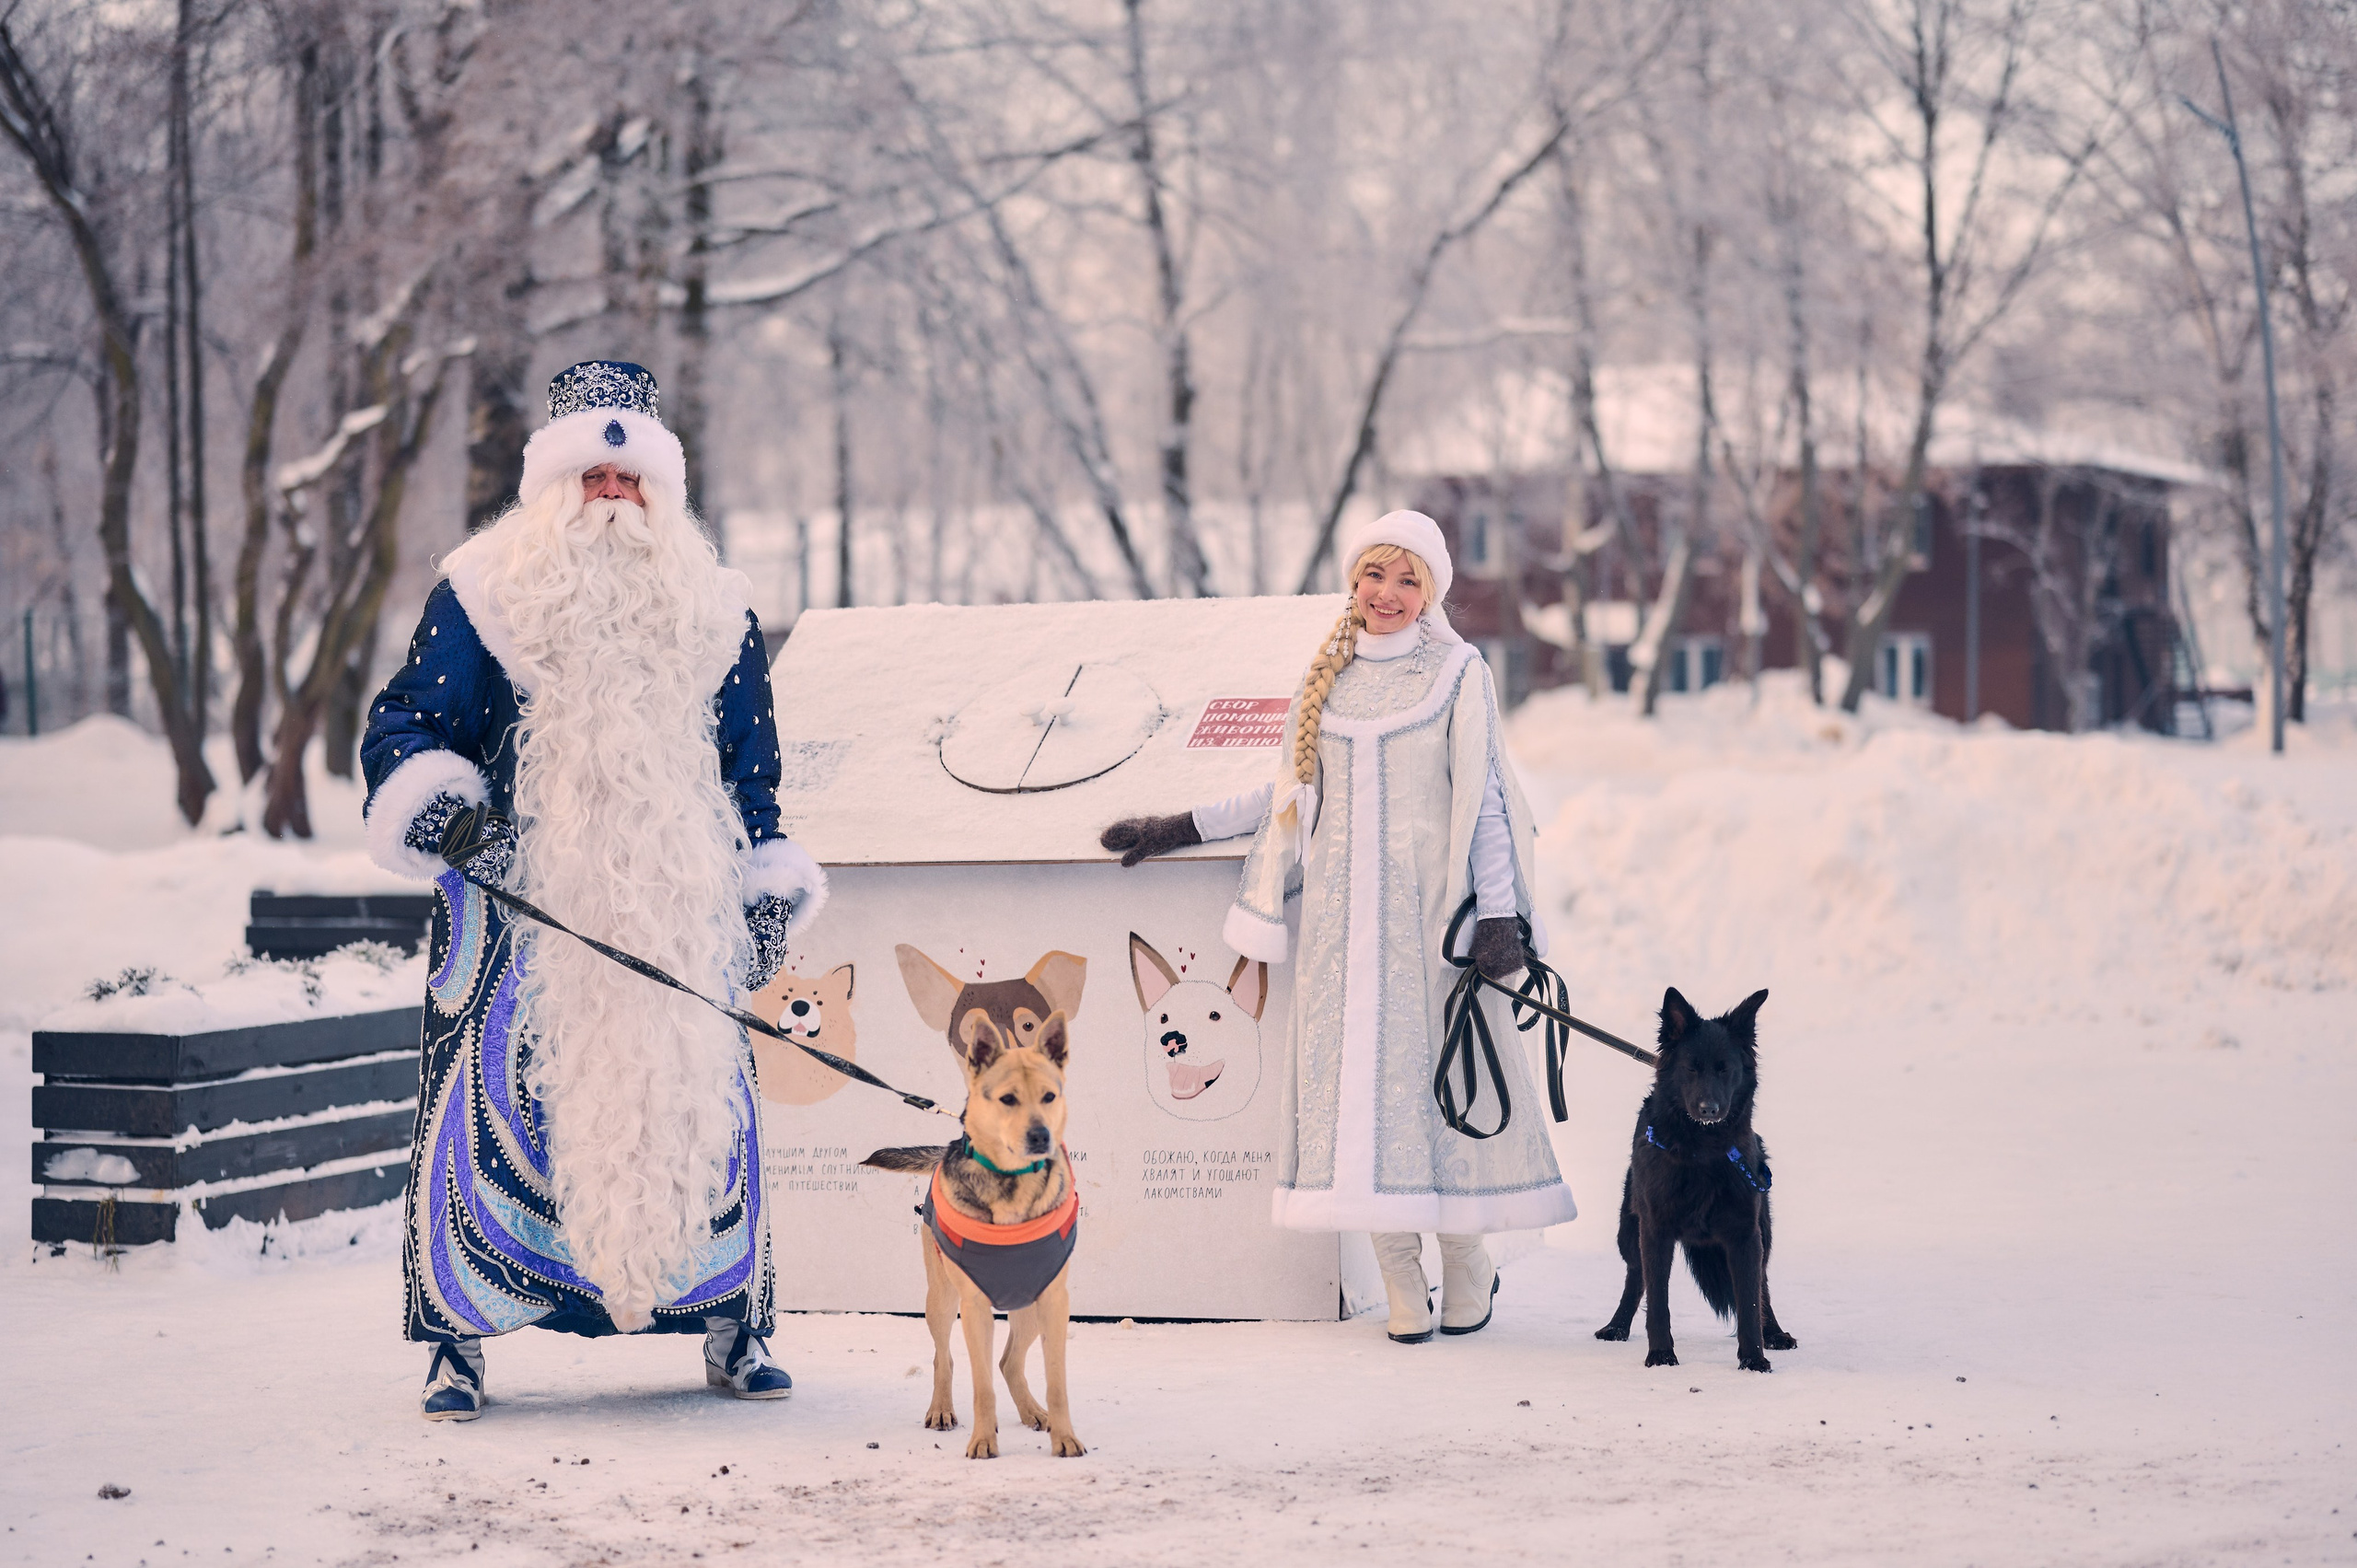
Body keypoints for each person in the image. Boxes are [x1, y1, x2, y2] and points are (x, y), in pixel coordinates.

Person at [359, 360, 827, 1419]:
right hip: (521, 907)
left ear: (660, 492)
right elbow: (405, 727)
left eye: (629, 483)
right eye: (592, 480)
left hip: (679, 914)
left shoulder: (717, 610)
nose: (611, 500)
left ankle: (732, 1327)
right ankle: (457, 1343)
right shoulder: (483, 593)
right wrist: (445, 810)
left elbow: (753, 770)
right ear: (553, 488)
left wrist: (764, 888)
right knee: (480, 1126)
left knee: (709, 1120)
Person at [1100, 510, 1575, 1342]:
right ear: (1353, 581)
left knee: (1443, 1087)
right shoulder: (1331, 677)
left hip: (1432, 934)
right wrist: (1180, 825)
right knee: (1358, 1102)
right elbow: (1279, 794)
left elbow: (1491, 800)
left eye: (1407, 580)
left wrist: (1500, 916)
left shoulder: (1459, 673)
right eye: (1374, 575)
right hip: (1341, 937)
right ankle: (1400, 1274)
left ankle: (1466, 1262)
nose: (1386, 594)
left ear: (1429, 593)